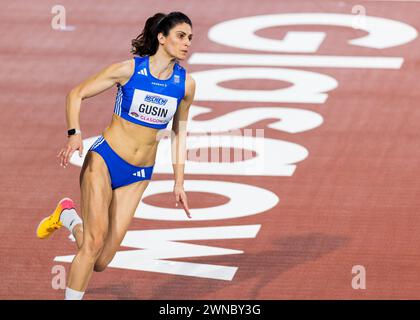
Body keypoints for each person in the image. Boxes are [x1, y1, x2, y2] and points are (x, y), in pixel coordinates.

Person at [36, 11, 195, 300]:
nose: (186, 43)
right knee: (93, 243)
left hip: (138, 175)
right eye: (181, 36)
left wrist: (179, 182)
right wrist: (74, 133)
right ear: (162, 38)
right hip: (105, 160)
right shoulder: (130, 70)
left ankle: (68, 216)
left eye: (190, 38)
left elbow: (180, 132)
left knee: (101, 260)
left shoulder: (185, 85)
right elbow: (76, 93)